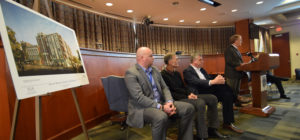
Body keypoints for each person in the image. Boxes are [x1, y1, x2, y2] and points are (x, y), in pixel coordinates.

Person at [124, 47, 195, 140]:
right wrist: (161, 107)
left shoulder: (155, 70)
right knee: (161, 117)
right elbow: (139, 98)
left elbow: (165, 87)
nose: (153, 58)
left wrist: (169, 102)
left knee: (188, 108)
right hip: (142, 107)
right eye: (151, 55)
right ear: (142, 58)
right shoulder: (131, 73)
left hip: (162, 103)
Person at [161, 53, 229, 140]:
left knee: (212, 98)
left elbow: (184, 87)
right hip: (177, 99)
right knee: (200, 102)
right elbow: (169, 92)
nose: (178, 60)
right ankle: (202, 135)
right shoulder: (163, 75)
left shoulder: (177, 73)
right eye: (176, 59)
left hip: (186, 96)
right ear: (170, 62)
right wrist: (187, 95)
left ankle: (212, 129)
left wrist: (190, 93)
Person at [183, 54, 244, 133]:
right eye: (200, 60)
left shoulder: (202, 70)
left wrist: (217, 79)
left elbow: (208, 79)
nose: (203, 61)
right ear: (194, 61)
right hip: (198, 92)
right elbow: (196, 82)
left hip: (208, 89)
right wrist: (214, 81)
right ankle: (236, 98)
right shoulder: (187, 71)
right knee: (224, 89)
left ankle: (228, 123)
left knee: (226, 93)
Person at [224, 34, 248, 107]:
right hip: (232, 74)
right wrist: (240, 64)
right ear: (235, 41)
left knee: (236, 91)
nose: (241, 41)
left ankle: (237, 103)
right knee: (231, 90)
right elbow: (229, 61)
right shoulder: (229, 49)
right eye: (240, 40)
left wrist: (242, 64)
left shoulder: (235, 49)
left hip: (237, 73)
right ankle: (230, 105)